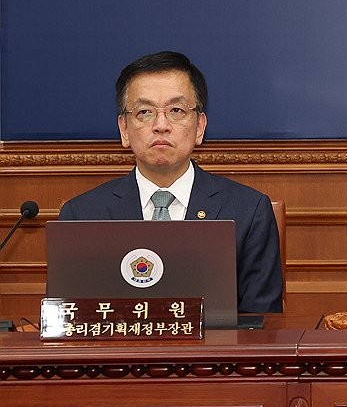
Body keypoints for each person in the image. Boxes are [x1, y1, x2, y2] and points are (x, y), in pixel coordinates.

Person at [59, 51, 283, 314]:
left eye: (176, 110)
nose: (161, 125)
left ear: (200, 126)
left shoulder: (248, 211)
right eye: (145, 112)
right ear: (124, 130)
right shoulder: (82, 216)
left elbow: (262, 328)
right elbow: (66, 325)